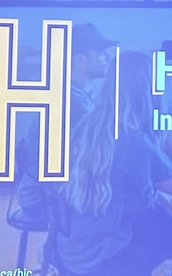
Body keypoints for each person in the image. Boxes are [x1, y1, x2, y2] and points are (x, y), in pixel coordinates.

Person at [58, 50, 172, 276]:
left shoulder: (87, 126)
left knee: (160, 219)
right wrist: (169, 132)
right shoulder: (133, 142)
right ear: (148, 92)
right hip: (105, 262)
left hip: (73, 250)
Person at [12, 23, 115, 226]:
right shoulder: (74, 103)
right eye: (100, 52)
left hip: (41, 193)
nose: (107, 58)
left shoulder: (74, 94)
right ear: (80, 59)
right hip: (45, 201)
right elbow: (107, 149)